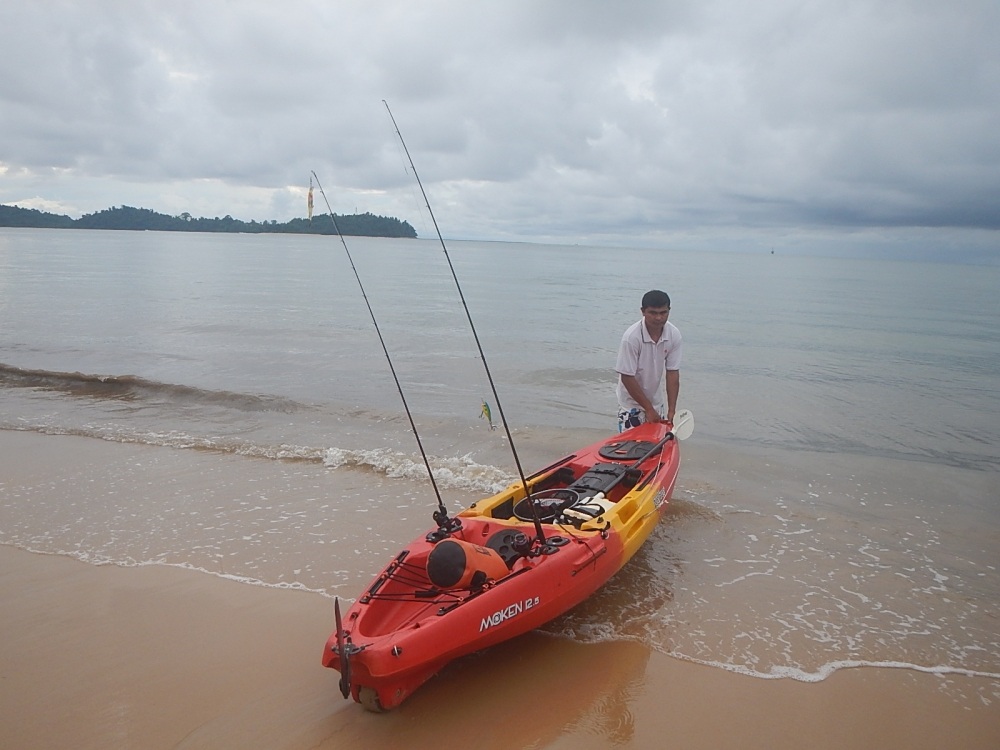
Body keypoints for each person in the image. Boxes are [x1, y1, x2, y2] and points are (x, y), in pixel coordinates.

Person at [615, 289, 682, 432]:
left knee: (658, 447)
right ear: (643, 311)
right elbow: (627, 376)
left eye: (663, 313)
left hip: (656, 402)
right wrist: (648, 409)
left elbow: (672, 373)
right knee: (631, 449)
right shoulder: (631, 338)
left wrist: (672, 410)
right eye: (653, 313)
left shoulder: (674, 334)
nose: (658, 318)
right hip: (630, 406)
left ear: (669, 311)